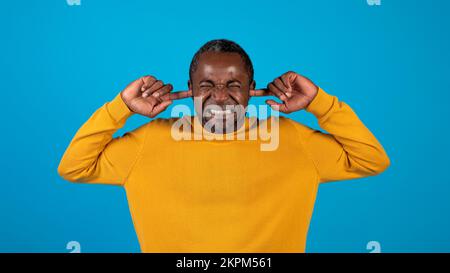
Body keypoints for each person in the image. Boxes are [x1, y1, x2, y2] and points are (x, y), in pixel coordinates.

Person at [58, 39, 390, 253]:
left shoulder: (291, 138)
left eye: (233, 84)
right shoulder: (150, 140)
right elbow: (74, 166)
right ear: (189, 89)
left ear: (252, 90)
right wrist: (122, 107)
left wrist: (321, 103)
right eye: (207, 85)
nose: (219, 96)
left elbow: (372, 159)